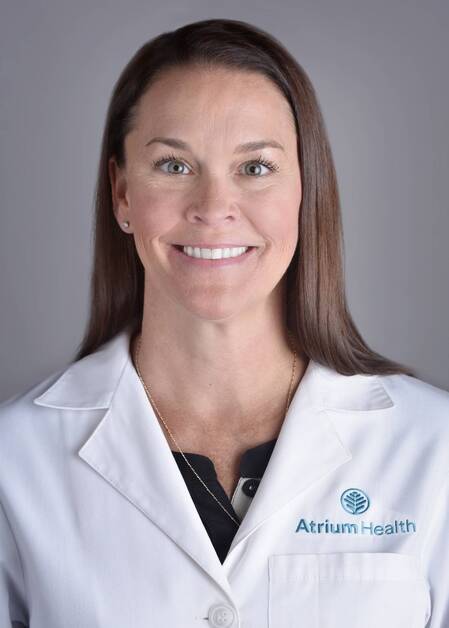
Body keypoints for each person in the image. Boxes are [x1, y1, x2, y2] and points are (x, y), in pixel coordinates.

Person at [0, 17, 448, 628]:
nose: (213, 208)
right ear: (122, 193)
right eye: (174, 166)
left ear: (305, 190)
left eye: (255, 167)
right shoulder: (16, 460)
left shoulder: (433, 449)